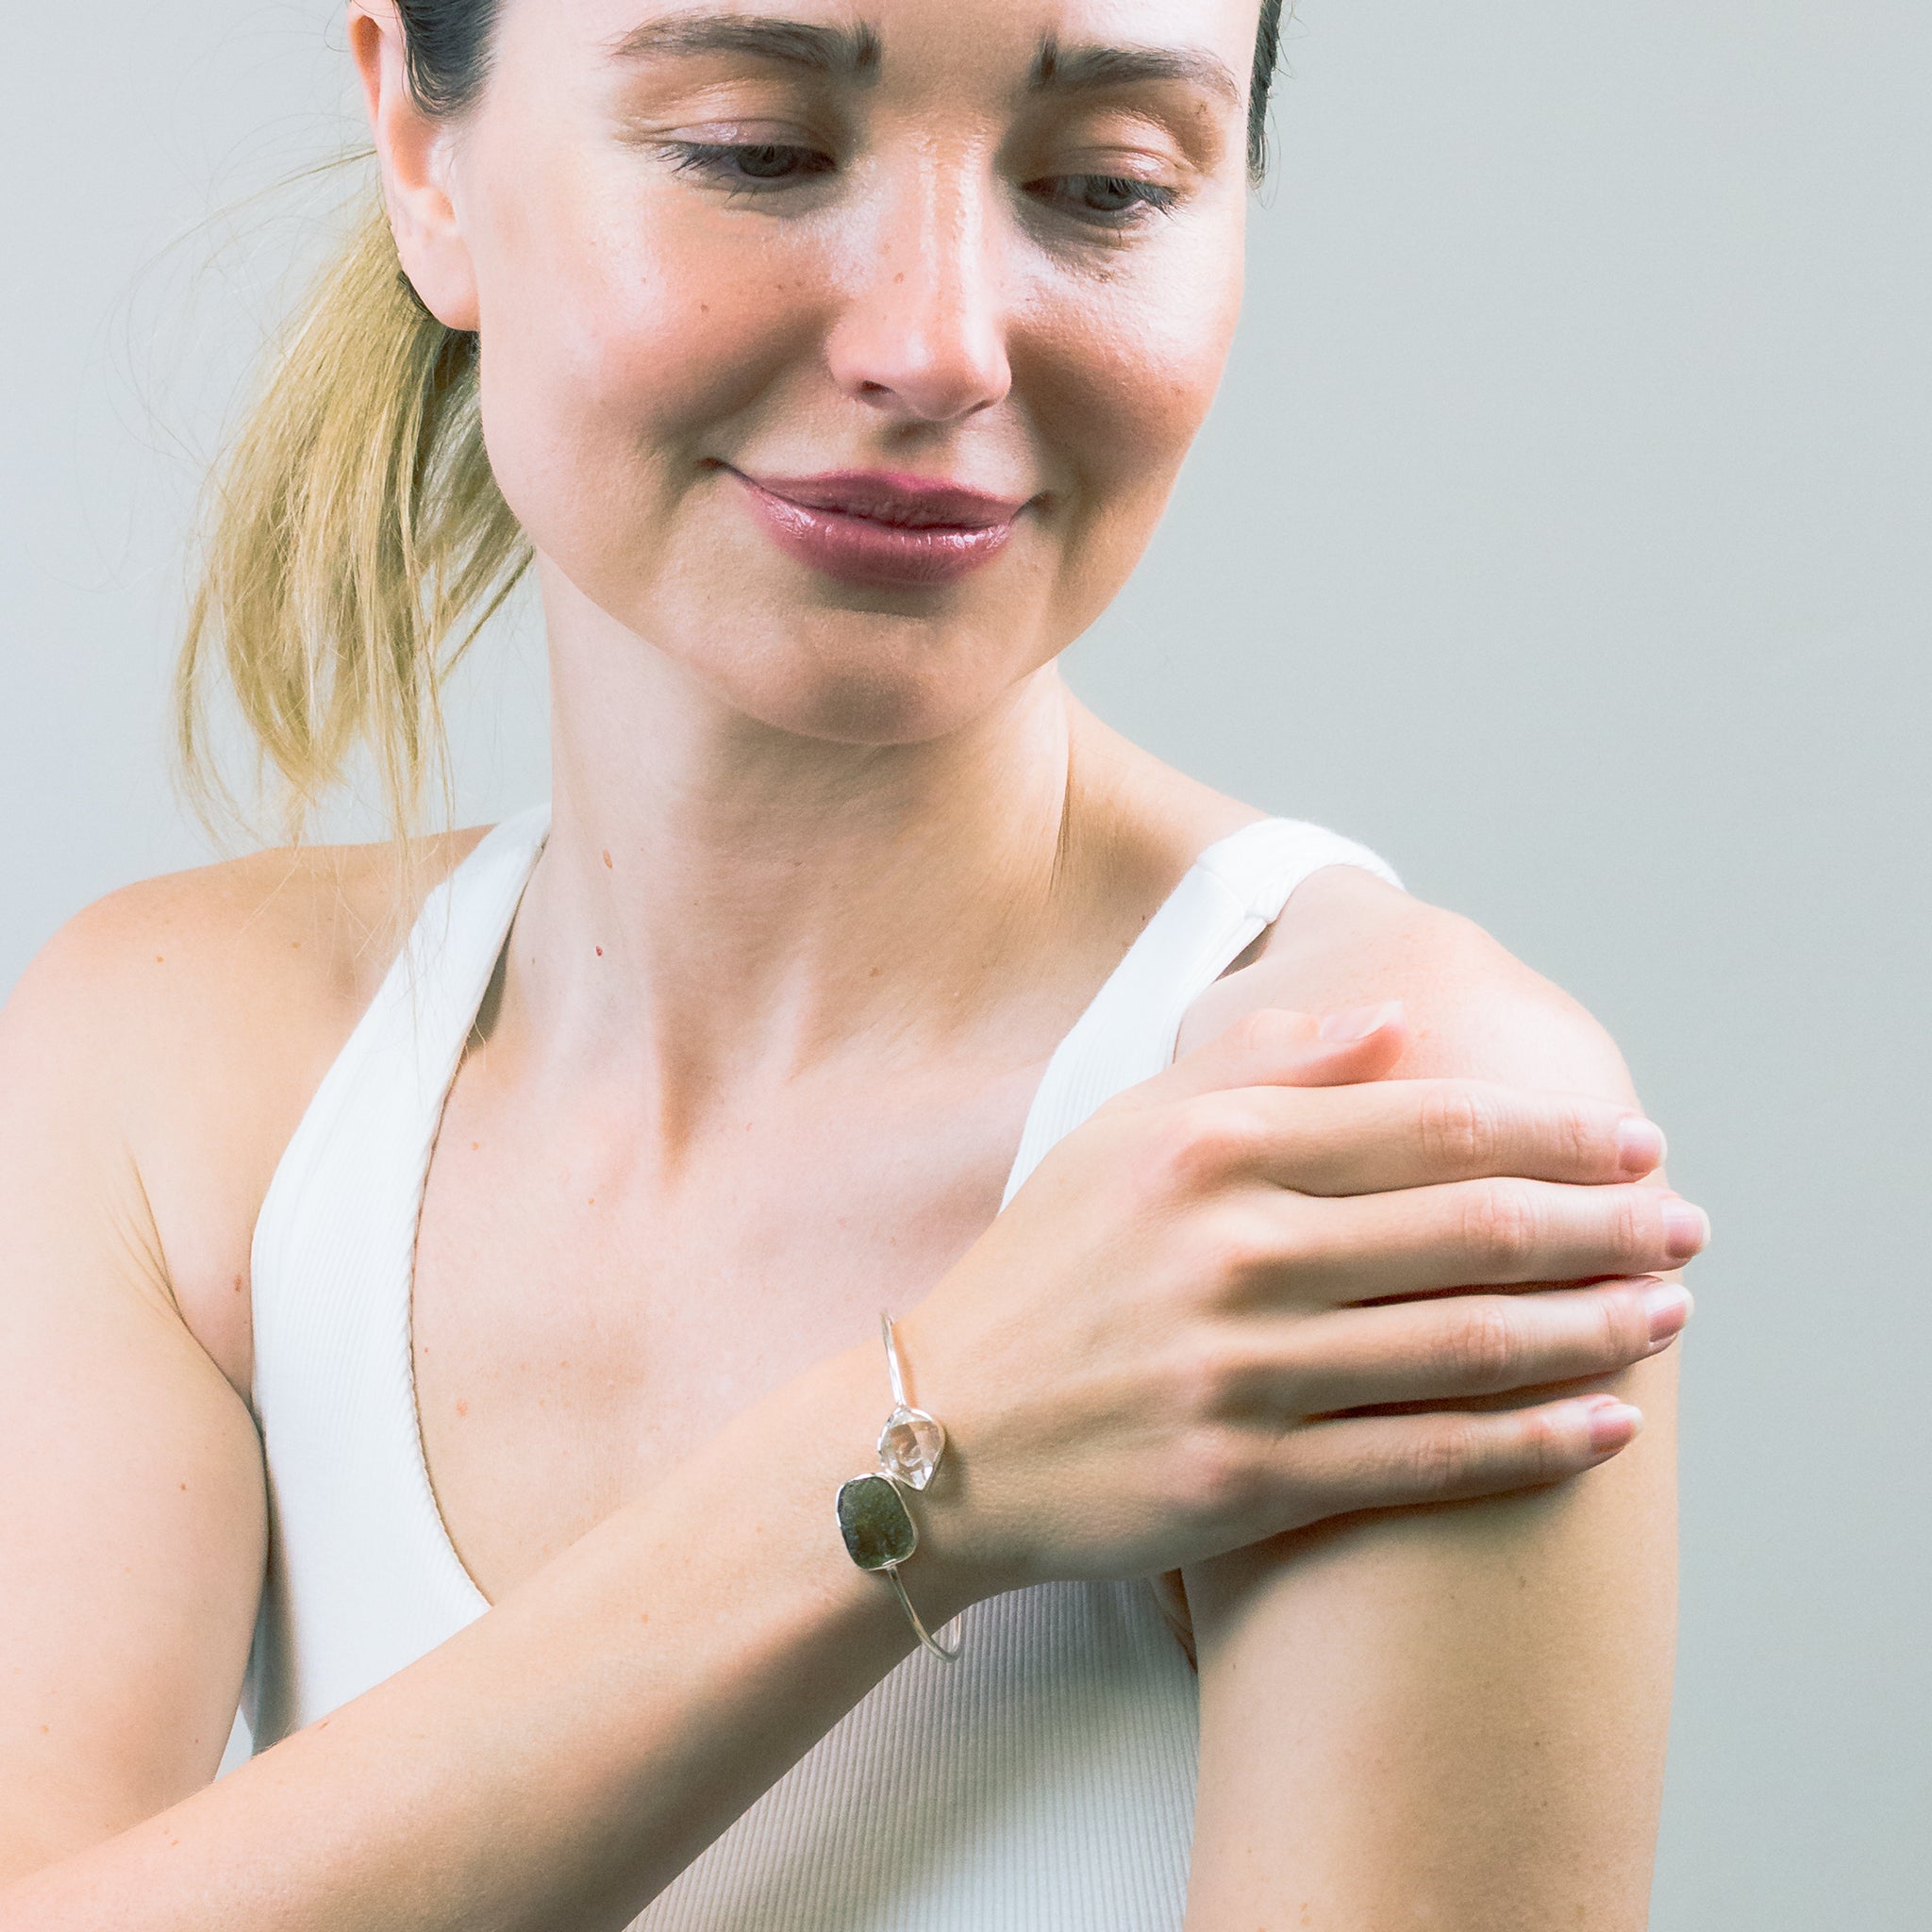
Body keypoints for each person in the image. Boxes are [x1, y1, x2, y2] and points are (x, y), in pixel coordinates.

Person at [0, 2, 1705, 1926]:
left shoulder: (1373, 1128)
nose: (939, 344)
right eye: (754, 147)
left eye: (1105, 185)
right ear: (422, 146)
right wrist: (930, 1450)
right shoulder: (181, 1073)